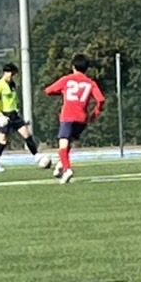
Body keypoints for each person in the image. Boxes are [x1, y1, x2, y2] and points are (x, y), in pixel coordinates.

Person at [43, 53, 105, 184]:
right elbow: (101, 99)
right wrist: (95, 113)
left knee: (63, 143)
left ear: (73, 67)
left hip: (68, 116)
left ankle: (67, 169)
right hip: (82, 118)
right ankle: (61, 164)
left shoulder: (67, 80)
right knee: (68, 142)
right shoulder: (90, 83)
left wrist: (61, 92)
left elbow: (48, 91)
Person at [0, 62, 39, 172]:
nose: (12, 77)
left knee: (27, 134)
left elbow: (14, 99)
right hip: (4, 116)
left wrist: (17, 110)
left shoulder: (12, 85)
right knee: (3, 141)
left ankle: (36, 156)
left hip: (14, 115)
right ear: (6, 73)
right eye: (11, 74)